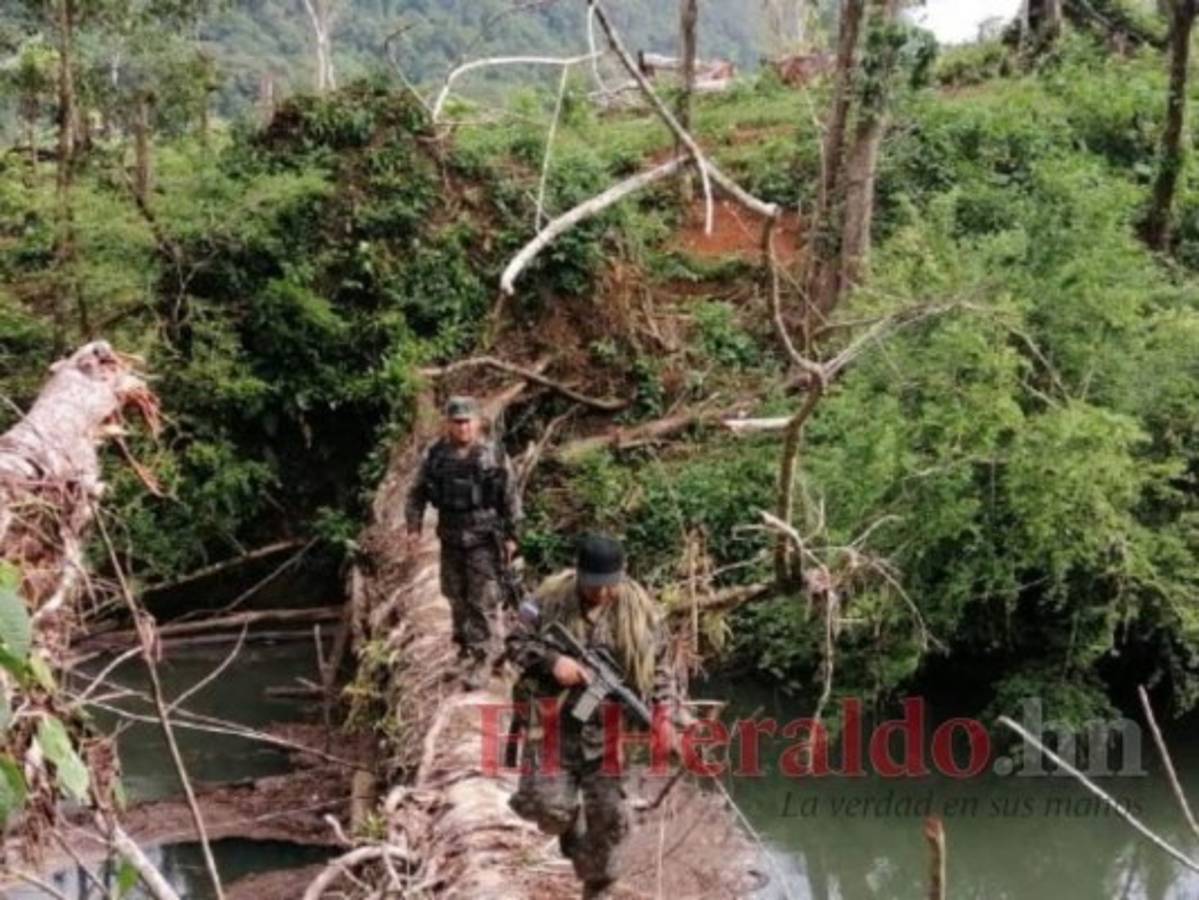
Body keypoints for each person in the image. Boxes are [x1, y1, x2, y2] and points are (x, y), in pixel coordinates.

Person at [507, 534, 680, 899]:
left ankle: (597, 885)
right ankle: (571, 828)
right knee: (545, 809)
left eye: (608, 586)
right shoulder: (548, 598)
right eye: (593, 585)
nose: (601, 593)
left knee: (610, 820)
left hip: (608, 732)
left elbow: (662, 669)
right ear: (579, 573)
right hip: (553, 723)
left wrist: (664, 715)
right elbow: (515, 642)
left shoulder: (642, 613)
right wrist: (554, 662)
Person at [405, 395, 520, 688]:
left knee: (483, 600)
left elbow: (510, 496)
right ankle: (465, 649)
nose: (463, 427)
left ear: (478, 422)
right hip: (451, 537)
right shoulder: (436, 456)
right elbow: (416, 493)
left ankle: (486, 656)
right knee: (455, 595)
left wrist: (513, 536)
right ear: (448, 424)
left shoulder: (493, 454)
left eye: (467, 421)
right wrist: (413, 528)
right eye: (457, 422)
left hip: (484, 538)